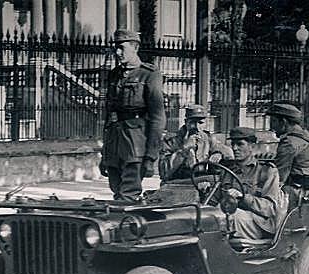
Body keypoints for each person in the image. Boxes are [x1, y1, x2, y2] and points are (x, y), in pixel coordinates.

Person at [99, 29, 166, 201]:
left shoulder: (149, 74)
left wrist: (151, 155)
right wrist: (105, 153)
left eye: (122, 48)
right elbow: (109, 115)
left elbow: (157, 117)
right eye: (115, 48)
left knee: (128, 193)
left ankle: (126, 216)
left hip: (135, 142)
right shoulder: (114, 74)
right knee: (116, 190)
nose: (117, 52)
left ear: (135, 47)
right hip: (114, 141)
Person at [220, 127, 288, 240]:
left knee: (229, 218)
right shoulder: (228, 171)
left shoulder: (266, 171)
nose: (235, 148)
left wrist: (243, 197)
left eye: (240, 144)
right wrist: (205, 191)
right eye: (233, 144)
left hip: (258, 223)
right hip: (235, 218)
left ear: (252, 146)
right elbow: (216, 200)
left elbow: (270, 208)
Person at [159, 104, 232, 181]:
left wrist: (218, 153)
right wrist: (184, 150)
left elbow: (228, 153)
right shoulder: (172, 141)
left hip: (200, 181)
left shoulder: (208, 138)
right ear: (186, 122)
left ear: (205, 124)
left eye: (200, 123)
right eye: (192, 122)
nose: (197, 127)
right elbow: (163, 171)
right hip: (176, 182)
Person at [266, 103, 309, 187]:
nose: (271, 127)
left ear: (283, 122)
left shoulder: (289, 141)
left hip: (299, 188)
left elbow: (278, 176)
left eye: (273, 121)